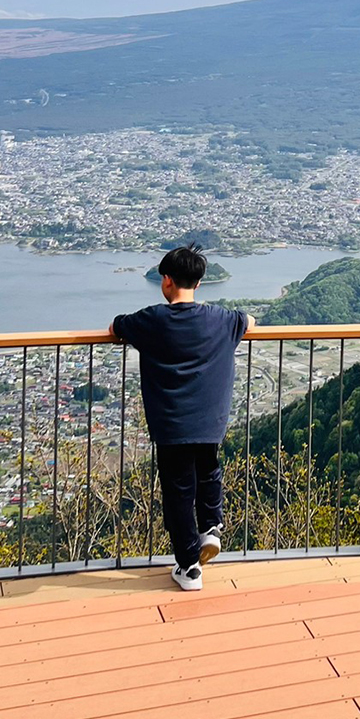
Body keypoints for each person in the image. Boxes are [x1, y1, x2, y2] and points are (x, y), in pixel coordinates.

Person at [109, 244, 255, 591]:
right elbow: (248, 321)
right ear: (200, 283)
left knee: (178, 491)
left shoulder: (152, 321)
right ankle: (211, 526)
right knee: (209, 469)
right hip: (210, 420)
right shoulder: (222, 319)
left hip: (172, 423)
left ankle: (189, 567)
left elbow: (116, 327)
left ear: (167, 281)